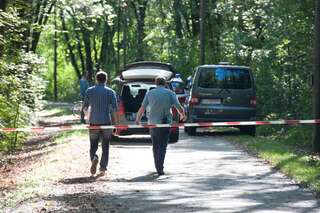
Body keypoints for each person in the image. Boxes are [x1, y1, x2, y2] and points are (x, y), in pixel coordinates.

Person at [135, 76, 185, 176]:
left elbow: (142, 107)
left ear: (155, 83)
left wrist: (138, 119)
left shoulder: (150, 93)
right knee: (162, 146)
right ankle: (159, 168)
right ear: (165, 83)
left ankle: (157, 166)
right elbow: (178, 107)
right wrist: (183, 115)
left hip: (152, 123)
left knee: (155, 145)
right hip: (165, 123)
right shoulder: (170, 93)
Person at [82, 71, 119, 177]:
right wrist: (116, 125)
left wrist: (88, 117)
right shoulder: (111, 92)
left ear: (96, 79)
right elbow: (114, 110)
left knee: (93, 145)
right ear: (106, 79)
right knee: (105, 146)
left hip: (93, 123)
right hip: (106, 123)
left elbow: (84, 107)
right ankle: (102, 168)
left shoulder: (89, 91)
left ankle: (94, 158)